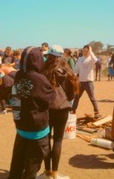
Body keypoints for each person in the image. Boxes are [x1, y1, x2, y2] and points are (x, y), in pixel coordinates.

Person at [8, 46, 55, 179]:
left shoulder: (18, 75)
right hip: (37, 131)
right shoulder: (40, 79)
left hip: (21, 127)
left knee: (17, 161)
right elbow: (51, 97)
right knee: (32, 166)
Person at [40, 45, 78, 179]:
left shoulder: (44, 72)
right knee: (58, 140)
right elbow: (72, 96)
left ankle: (47, 171)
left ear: (49, 56)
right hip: (63, 109)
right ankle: (55, 174)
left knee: (46, 139)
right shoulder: (68, 72)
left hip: (47, 109)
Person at [72, 45, 101, 118]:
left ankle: (96, 112)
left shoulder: (91, 59)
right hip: (81, 81)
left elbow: (96, 60)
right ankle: (73, 110)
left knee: (92, 97)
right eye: (84, 50)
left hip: (89, 81)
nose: (85, 52)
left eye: (86, 50)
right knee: (76, 97)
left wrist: (90, 51)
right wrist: (74, 75)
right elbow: (76, 69)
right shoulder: (80, 59)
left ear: (89, 51)